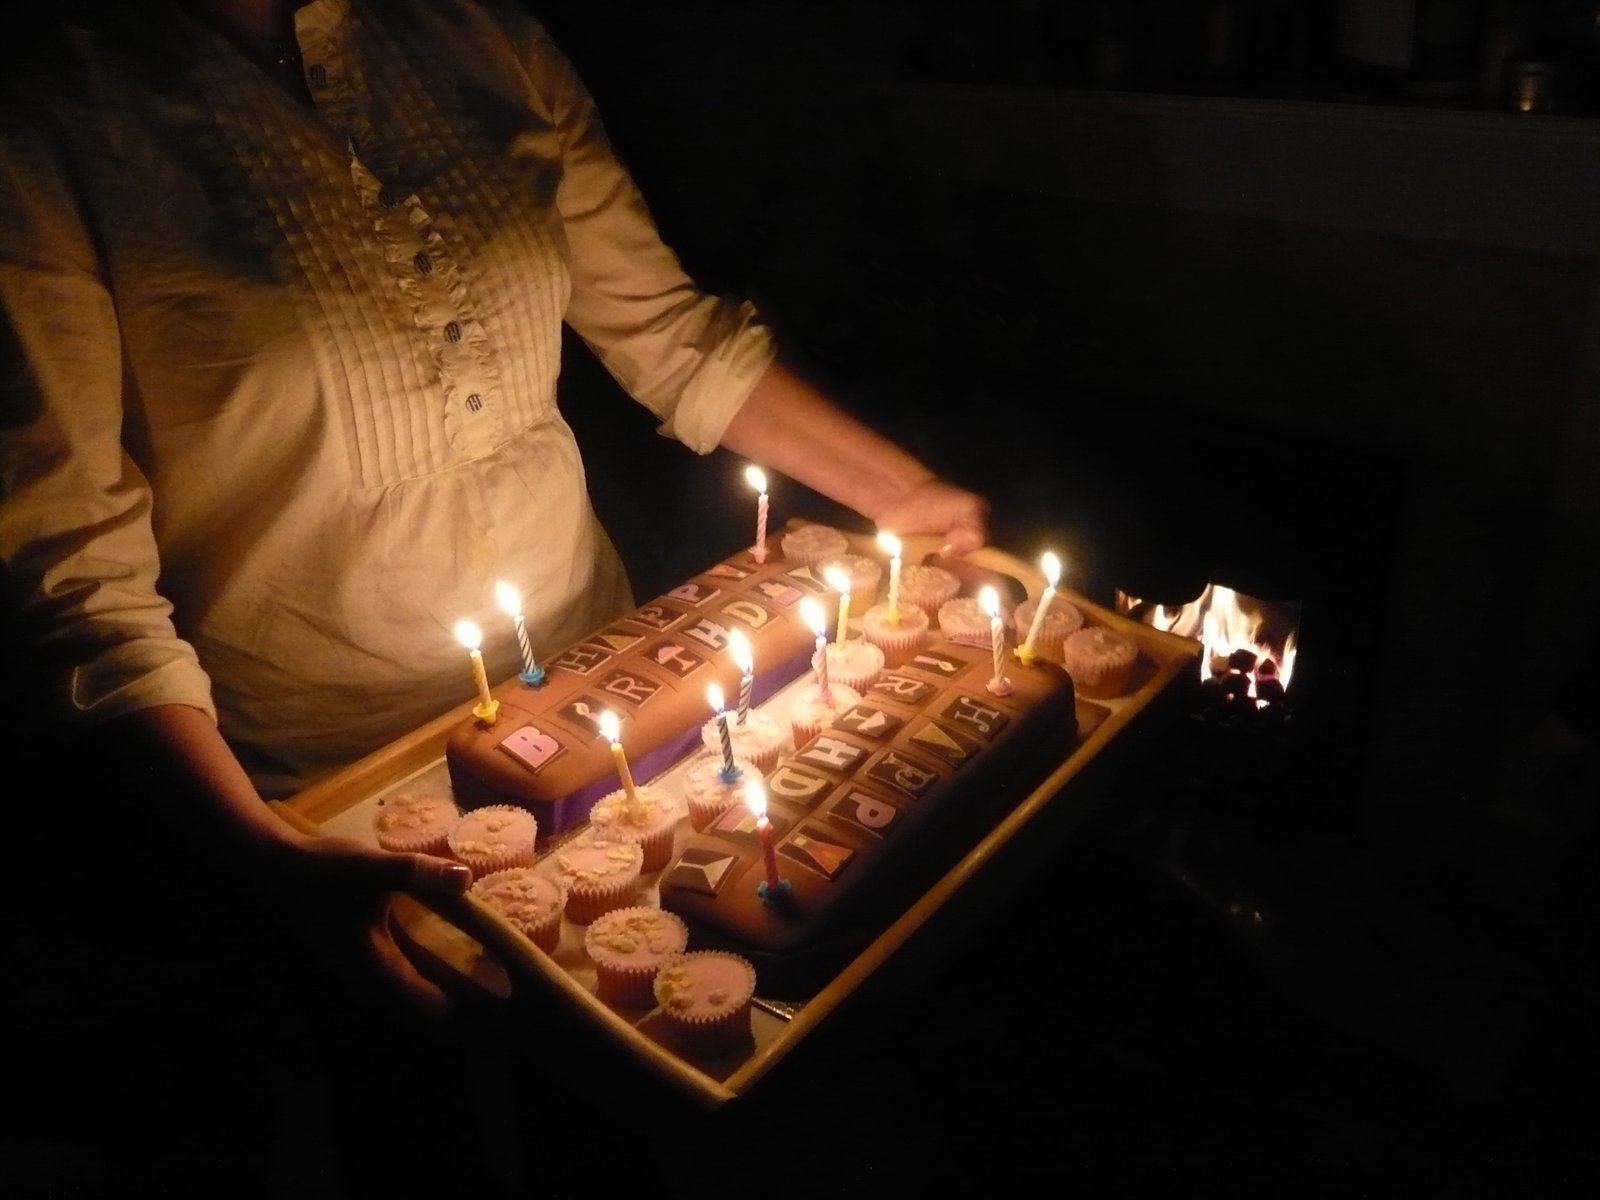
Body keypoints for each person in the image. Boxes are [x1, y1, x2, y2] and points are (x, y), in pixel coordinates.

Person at [0, 0, 988, 1166]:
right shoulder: (52, 108)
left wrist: (907, 497)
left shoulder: (479, 35)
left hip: (621, 713)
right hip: (328, 794)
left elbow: (668, 333)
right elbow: (69, 562)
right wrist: (264, 859)